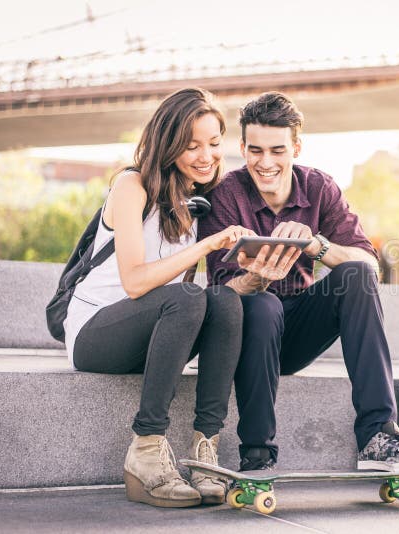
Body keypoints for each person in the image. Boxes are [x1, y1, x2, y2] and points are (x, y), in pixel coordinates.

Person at [197, 92, 399, 473]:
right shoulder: (225, 194)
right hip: (249, 334)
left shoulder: (319, 188)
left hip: (299, 328)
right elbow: (219, 297)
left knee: (354, 273)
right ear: (242, 148)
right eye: (255, 151)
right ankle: (257, 453)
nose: (266, 163)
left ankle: (379, 436)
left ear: (296, 146)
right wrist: (257, 278)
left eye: (278, 150)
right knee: (263, 304)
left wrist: (316, 244)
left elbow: (369, 265)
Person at [63, 88, 254, 508]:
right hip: (96, 334)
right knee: (187, 296)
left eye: (214, 143)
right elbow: (135, 283)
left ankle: (206, 449)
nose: (206, 156)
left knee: (223, 299)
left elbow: (193, 303)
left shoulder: (195, 199)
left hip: (151, 336)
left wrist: (254, 275)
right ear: (169, 145)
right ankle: (146, 451)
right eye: (192, 146)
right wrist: (206, 246)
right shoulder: (132, 186)